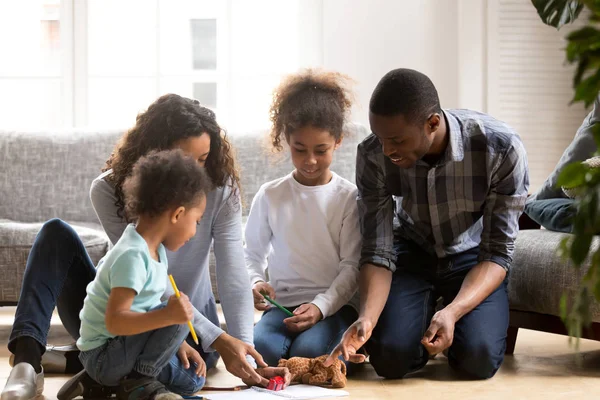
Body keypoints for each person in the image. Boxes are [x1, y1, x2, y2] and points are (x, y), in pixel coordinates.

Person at [2, 94, 289, 400]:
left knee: (185, 373)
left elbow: (232, 271)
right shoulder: (109, 189)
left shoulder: (220, 190)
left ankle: (86, 366)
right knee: (55, 234)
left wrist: (241, 347)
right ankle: (28, 362)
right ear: (155, 155)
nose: (195, 173)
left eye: (203, 159)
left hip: (188, 326)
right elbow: (141, 273)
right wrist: (218, 338)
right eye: (184, 160)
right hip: (118, 314)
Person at [325, 68, 529, 380]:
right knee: (390, 359)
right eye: (380, 138)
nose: (386, 150)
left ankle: (449, 319)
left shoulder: (501, 147)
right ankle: (419, 327)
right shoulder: (372, 154)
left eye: (396, 139)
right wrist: (367, 318)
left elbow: (498, 252)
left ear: (432, 123)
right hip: (412, 252)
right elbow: (378, 250)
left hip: (473, 257)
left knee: (478, 359)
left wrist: (453, 312)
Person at [245, 70, 361, 366]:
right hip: (282, 307)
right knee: (263, 353)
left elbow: (352, 267)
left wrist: (321, 307)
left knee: (310, 353)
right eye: (300, 149)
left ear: (338, 141)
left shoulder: (348, 197)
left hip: (333, 307)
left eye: (320, 150)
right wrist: (256, 281)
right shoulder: (271, 194)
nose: (310, 160)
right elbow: (251, 254)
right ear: (287, 140)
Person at [78, 149, 210, 400]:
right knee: (179, 315)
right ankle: (138, 384)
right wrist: (169, 318)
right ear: (178, 214)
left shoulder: (154, 249)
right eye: (197, 221)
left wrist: (176, 342)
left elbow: (146, 308)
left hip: (120, 347)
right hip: (104, 356)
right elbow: (115, 321)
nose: (194, 232)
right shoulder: (132, 255)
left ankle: (111, 385)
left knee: (193, 379)